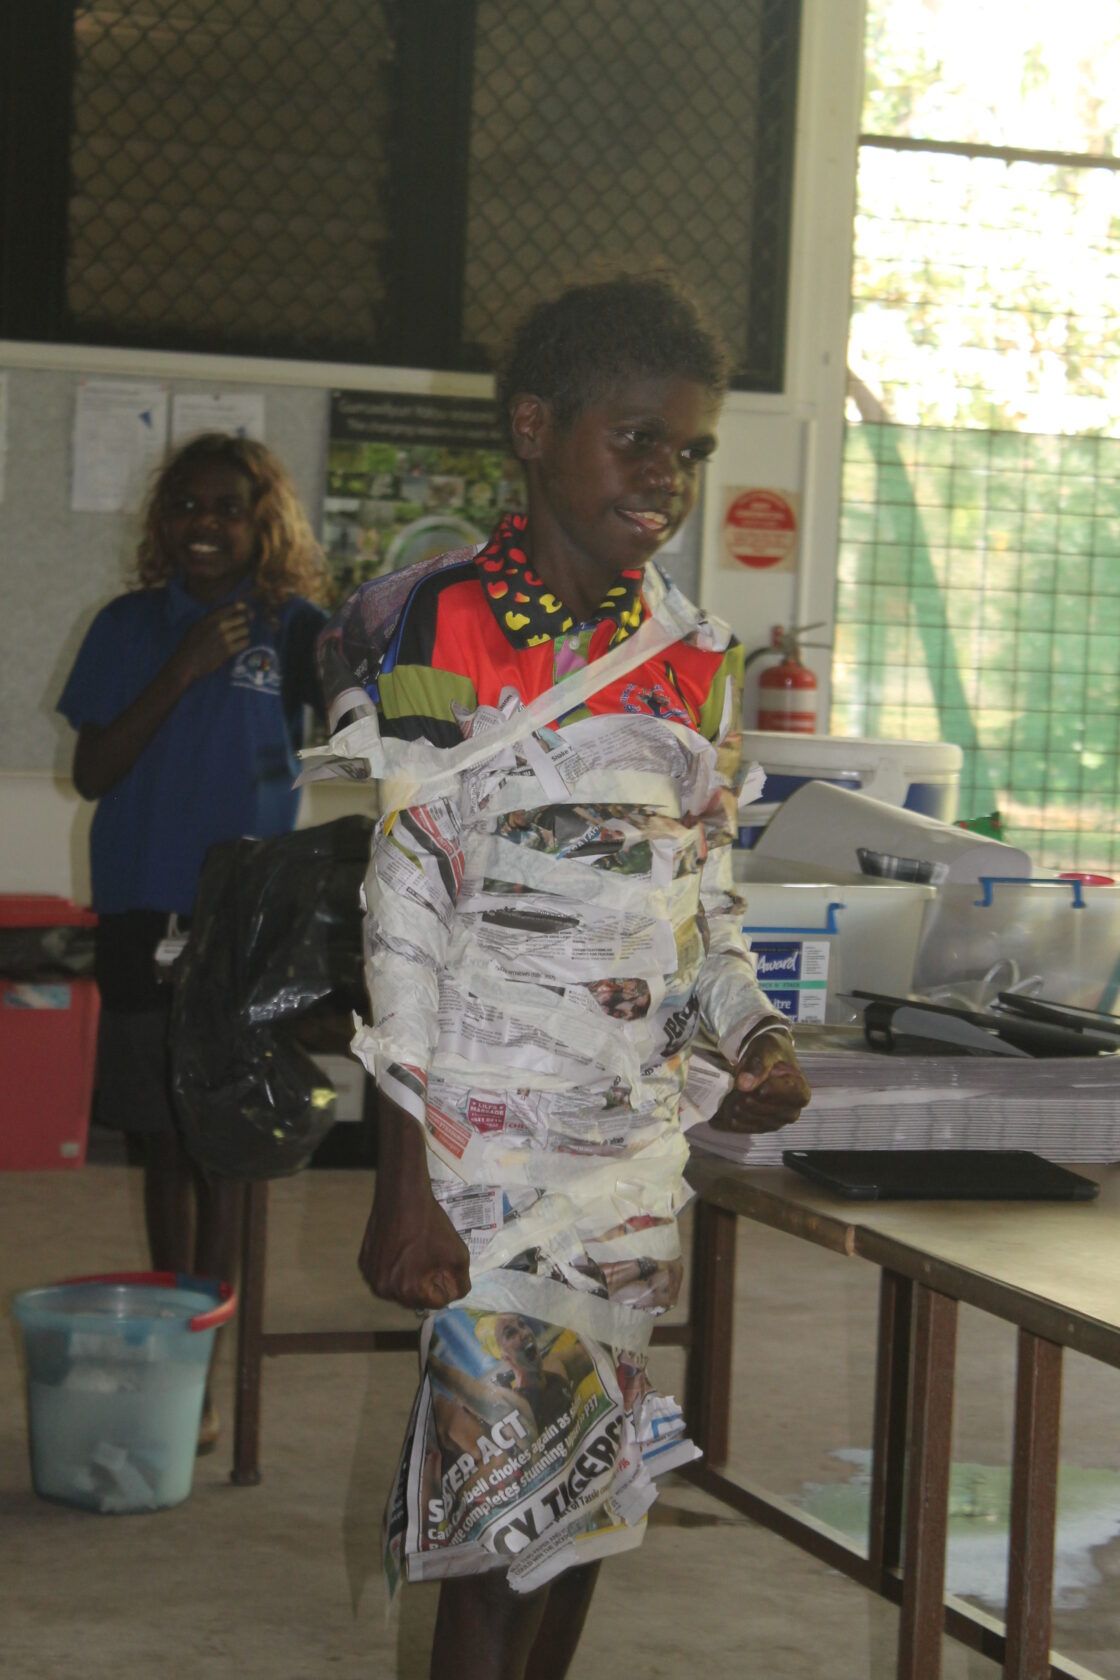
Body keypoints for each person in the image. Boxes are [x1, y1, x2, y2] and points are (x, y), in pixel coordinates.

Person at [319, 273, 811, 1677]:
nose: (666, 476)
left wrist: (753, 1032)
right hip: (485, 1147)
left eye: (689, 450)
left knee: (595, 1500)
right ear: (536, 429)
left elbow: (703, 897)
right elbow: (409, 895)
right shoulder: (439, 626)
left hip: (629, 1151)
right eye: (636, 439)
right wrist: (403, 1179)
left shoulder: (694, 661)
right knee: (498, 1521)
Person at [58, 431, 328, 1448]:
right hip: (138, 905)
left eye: (228, 508)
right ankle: (169, 1341)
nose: (204, 526)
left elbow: (362, 708)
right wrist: (181, 665)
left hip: (241, 915)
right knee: (160, 1143)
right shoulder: (128, 625)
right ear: (162, 521)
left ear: (265, 523)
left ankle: (210, 1360)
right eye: (186, 507)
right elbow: (92, 772)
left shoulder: (295, 628)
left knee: (225, 1148)